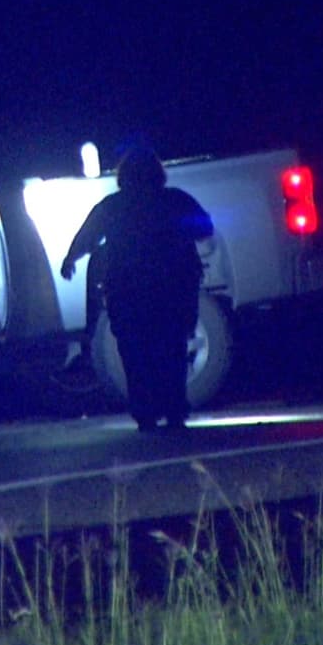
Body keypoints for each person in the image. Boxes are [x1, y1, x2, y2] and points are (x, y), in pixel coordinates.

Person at [60, 147, 214, 432]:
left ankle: (145, 413)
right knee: (172, 350)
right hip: (173, 291)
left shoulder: (112, 206)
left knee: (136, 354)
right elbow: (205, 228)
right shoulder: (176, 200)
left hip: (128, 293)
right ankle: (175, 411)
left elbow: (86, 236)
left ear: (124, 176)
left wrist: (70, 259)